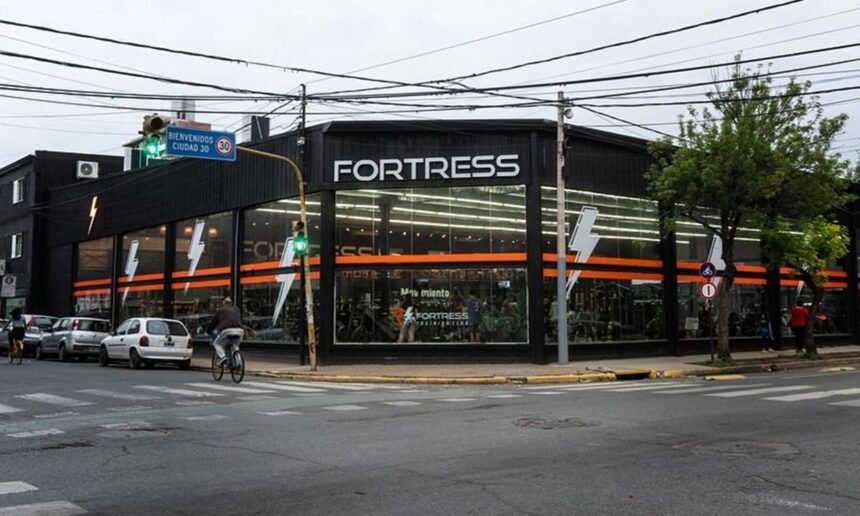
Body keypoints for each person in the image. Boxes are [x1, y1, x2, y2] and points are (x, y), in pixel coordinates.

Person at [206, 297, 244, 365]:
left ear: (224, 303)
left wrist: (209, 331)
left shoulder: (221, 310)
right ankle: (239, 363)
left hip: (227, 330)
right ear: (231, 303)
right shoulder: (237, 309)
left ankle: (223, 357)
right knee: (235, 346)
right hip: (239, 330)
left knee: (217, 344)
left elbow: (213, 322)